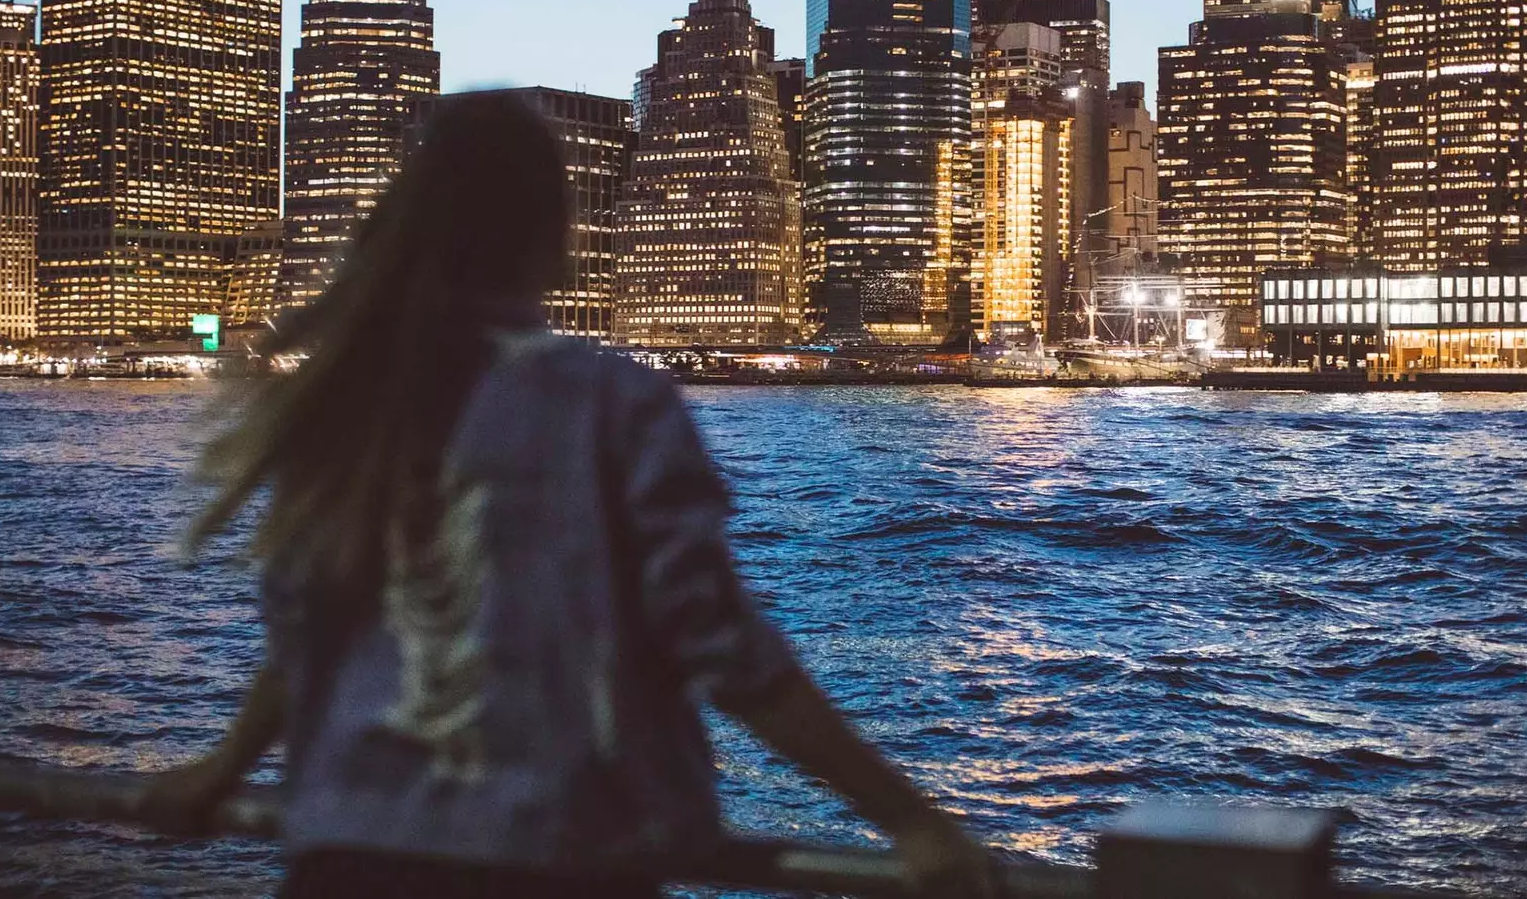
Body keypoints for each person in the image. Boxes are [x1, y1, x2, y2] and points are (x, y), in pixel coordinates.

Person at [142, 90, 994, 897]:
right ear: (555, 237)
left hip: (346, 855)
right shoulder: (609, 403)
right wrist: (912, 822)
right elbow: (720, 643)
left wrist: (220, 772)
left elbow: (311, 627)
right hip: (551, 855)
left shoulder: (351, 401)